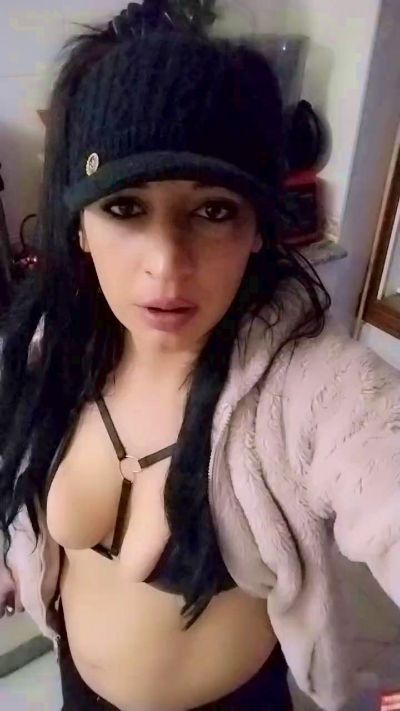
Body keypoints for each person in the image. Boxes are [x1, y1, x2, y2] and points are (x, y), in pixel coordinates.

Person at [0, 2, 399, 710]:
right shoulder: (53, 345)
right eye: (125, 208)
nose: (166, 265)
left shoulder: (311, 388)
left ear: (257, 229)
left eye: (213, 210)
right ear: (79, 225)